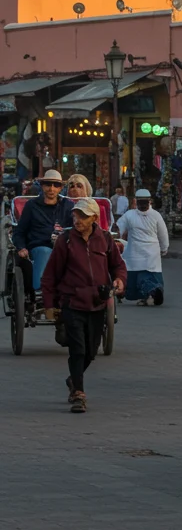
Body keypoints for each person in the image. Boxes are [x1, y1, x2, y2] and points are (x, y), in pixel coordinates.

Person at [41, 197, 127, 413]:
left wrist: (119, 280)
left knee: (91, 351)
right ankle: (78, 393)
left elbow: (118, 266)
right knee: (78, 349)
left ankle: (73, 379)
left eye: (82, 216)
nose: (77, 219)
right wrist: (50, 305)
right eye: (75, 215)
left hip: (98, 303)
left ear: (94, 219)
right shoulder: (66, 240)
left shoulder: (105, 239)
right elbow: (50, 275)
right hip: (72, 302)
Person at [12, 168, 74, 308]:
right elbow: (19, 232)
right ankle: (39, 291)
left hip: (64, 246)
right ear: (42, 185)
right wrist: (21, 247)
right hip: (39, 247)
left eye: (56, 185)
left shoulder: (68, 206)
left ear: (61, 188)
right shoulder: (31, 206)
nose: (51, 188)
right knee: (44, 251)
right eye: (48, 184)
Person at [117, 188, 169, 306]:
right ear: (137, 202)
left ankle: (151, 293)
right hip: (150, 254)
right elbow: (163, 235)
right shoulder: (156, 215)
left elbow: (119, 228)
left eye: (144, 202)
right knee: (148, 276)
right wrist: (164, 248)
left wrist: (115, 235)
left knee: (139, 278)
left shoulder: (130, 215)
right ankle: (152, 293)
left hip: (136, 254)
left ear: (149, 202)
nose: (143, 205)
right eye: (141, 202)